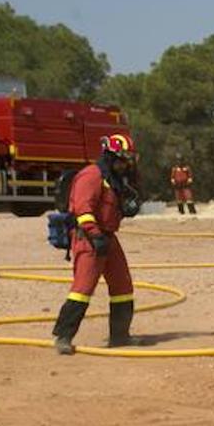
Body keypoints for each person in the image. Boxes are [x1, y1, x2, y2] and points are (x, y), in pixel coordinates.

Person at [51, 133, 142, 355]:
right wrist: (95, 236)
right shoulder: (91, 176)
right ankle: (63, 337)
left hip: (108, 237)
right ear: (110, 158)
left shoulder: (113, 180)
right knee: (83, 288)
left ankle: (120, 336)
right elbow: (83, 210)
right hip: (89, 238)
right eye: (122, 160)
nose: (125, 165)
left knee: (123, 287)